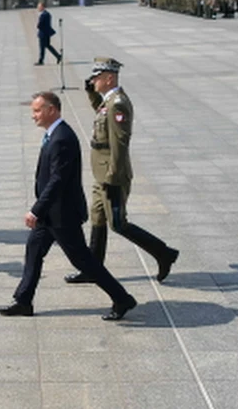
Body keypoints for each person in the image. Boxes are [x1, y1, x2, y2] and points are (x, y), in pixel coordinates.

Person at [0, 91, 137, 320]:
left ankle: (122, 299)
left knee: (83, 260)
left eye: (37, 110)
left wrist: (36, 209)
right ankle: (23, 301)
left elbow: (57, 180)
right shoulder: (55, 135)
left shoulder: (62, 138)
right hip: (51, 215)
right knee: (34, 250)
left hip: (62, 214)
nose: (33, 116)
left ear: (51, 110)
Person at [65, 58, 179, 286]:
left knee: (118, 223)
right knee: (97, 219)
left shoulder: (118, 104)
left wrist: (113, 177)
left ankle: (164, 253)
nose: (93, 80)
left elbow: (120, 142)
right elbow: (101, 114)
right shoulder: (108, 101)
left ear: (109, 78)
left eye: (97, 77)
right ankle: (92, 269)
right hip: (101, 173)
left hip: (112, 175)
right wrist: (91, 94)